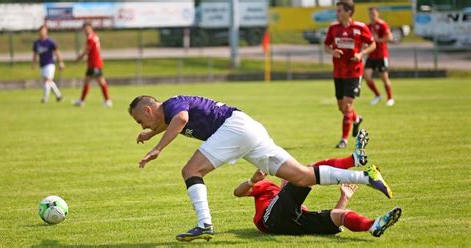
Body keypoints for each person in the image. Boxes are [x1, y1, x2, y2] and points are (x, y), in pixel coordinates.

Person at [128, 95, 393, 242]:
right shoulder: (168, 111)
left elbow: (181, 119)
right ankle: (365, 175)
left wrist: (158, 148)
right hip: (249, 128)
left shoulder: (173, 105)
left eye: (141, 121)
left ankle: (204, 224)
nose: (142, 126)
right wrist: (152, 135)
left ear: (150, 110)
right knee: (301, 176)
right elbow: (171, 122)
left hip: (233, 129)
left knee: (191, 171)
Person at [233, 132, 401, 237]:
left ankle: (372, 225)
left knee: (339, 216)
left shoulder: (297, 205)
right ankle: (353, 160)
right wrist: (252, 180)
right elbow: (238, 193)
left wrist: (344, 197)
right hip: (271, 220)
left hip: (290, 225)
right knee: (310, 170)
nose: (291, 176)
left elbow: (336, 217)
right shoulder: (269, 188)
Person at [323, 0, 376, 149]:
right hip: (338, 72)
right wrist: (332, 51)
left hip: (354, 72)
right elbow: (326, 46)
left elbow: (373, 44)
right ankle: (356, 118)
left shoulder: (360, 27)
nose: (337, 13)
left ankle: (343, 140)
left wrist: (361, 54)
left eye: (339, 10)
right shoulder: (333, 28)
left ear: (348, 12)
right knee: (342, 108)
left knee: (347, 106)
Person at [73, 22, 112, 108]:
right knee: (87, 81)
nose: (86, 31)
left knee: (101, 81)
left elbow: (86, 51)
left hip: (94, 63)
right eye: (85, 30)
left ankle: (107, 101)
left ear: (91, 28)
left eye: (87, 29)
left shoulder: (90, 38)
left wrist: (77, 59)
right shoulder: (95, 36)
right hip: (93, 63)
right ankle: (82, 101)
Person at [364, 7, 395, 106]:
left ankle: (390, 98)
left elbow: (389, 37)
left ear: (377, 14)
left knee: (384, 77)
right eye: (370, 14)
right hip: (371, 55)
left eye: (373, 13)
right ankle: (377, 95)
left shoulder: (382, 24)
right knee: (366, 76)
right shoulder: (367, 26)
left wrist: (377, 40)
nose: (372, 16)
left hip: (381, 55)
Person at [32, 25, 64, 103]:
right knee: (48, 82)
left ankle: (45, 98)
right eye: (40, 30)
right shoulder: (37, 43)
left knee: (47, 80)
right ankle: (58, 95)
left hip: (50, 64)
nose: (42, 32)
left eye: (43, 30)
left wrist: (61, 62)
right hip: (42, 65)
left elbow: (57, 52)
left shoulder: (50, 42)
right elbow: (35, 54)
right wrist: (34, 63)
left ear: (46, 31)